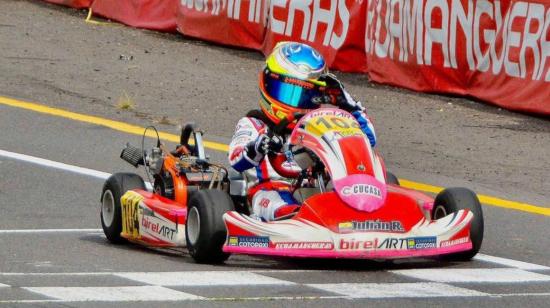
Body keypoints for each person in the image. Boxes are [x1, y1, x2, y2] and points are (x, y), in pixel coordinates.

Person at [228, 42, 376, 221]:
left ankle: (366, 212)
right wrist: (259, 146)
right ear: (267, 84)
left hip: (316, 189)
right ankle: (298, 220)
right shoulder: (253, 124)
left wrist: (349, 104)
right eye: (287, 92)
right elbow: (236, 159)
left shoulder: (320, 126)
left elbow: (366, 140)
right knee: (280, 205)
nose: (294, 103)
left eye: (303, 96)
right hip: (271, 190)